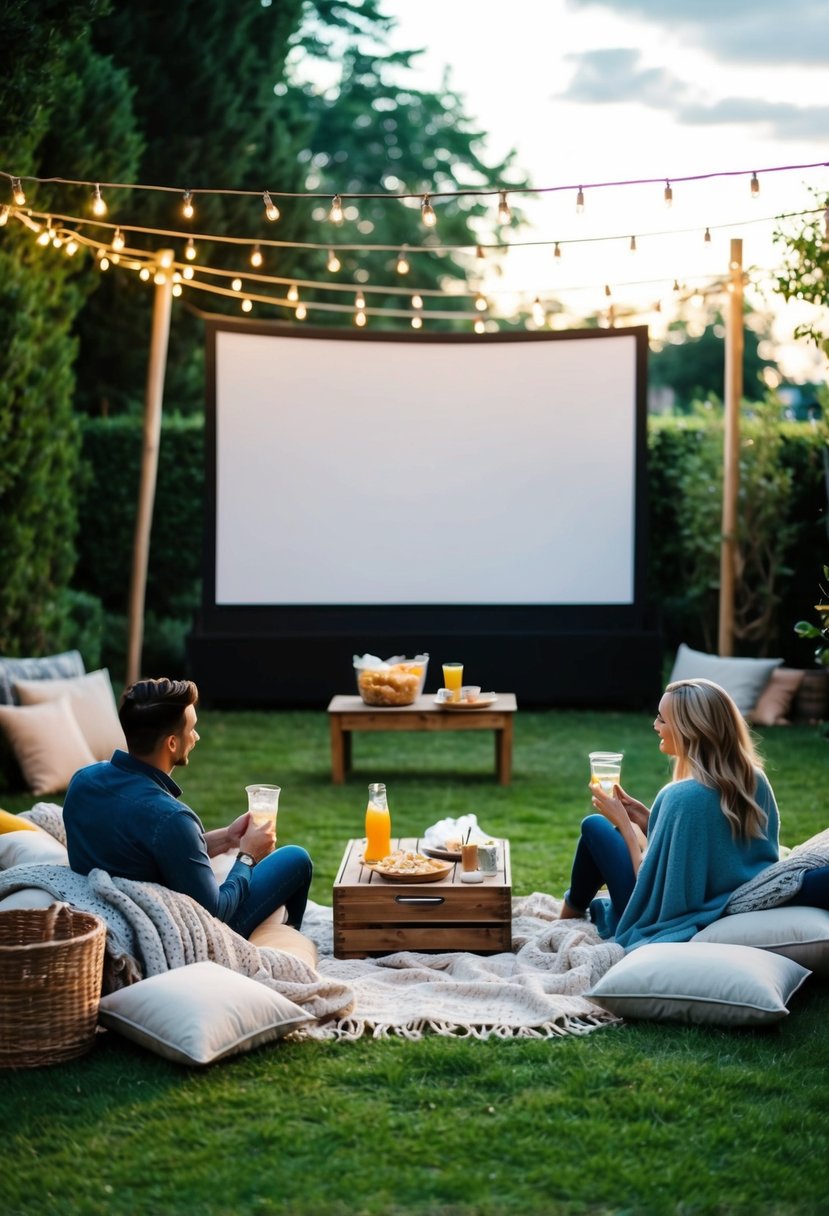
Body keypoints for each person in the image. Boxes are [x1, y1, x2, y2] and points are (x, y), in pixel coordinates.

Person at [63, 677, 312, 938]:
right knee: (296, 858)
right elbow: (215, 912)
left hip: (103, 917)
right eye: (191, 728)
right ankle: (287, 938)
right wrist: (247, 856)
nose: (196, 736)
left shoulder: (83, 781)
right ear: (172, 743)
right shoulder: (170, 817)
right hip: (185, 931)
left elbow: (157, 850)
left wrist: (228, 837)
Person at [559, 678, 781, 949]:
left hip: (664, 914)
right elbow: (712, 846)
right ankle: (578, 911)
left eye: (662, 720)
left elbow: (650, 880)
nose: (655, 726)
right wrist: (648, 818)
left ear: (690, 730)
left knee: (595, 827)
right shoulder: (755, 780)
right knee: (609, 831)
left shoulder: (680, 796)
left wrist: (627, 827)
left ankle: (566, 917)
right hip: (720, 900)